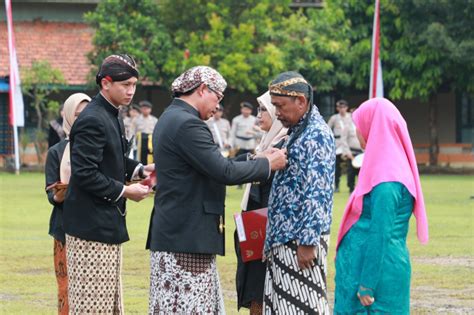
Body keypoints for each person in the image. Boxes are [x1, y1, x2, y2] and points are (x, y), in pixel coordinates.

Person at [146, 66, 287, 314]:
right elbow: (223, 171)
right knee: (188, 307)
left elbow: (212, 164)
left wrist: (256, 157)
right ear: (202, 90)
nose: (217, 107)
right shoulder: (189, 124)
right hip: (186, 237)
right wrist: (267, 164)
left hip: (178, 232)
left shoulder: (171, 117)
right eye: (217, 98)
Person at [63, 54, 153, 314]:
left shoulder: (111, 113)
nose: (131, 91)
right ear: (105, 83)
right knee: (91, 307)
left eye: (134, 85)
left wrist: (140, 169)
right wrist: (125, 190)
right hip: (90, 228)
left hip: (105, 224)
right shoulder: (93, 118)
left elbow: (112, 157)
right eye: (125, 85)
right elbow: (85, 173)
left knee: (109, 304)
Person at [334, 98, 429, 314]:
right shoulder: (384, 168)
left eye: (359, 127)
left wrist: (367, 283)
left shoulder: (387, 180)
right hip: (367, 266)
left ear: (372, 127)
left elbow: (380, 233)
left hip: (377, 276)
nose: (358, 133)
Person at [263, 71, 335, 314]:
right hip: (285, 237)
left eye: (280, 106)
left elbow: (317, 192)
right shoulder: (298, 131)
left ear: (301, 102)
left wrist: (307, 242)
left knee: (304, 307)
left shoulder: (315, 135)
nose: (277, 113)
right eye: (274, 106)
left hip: (300, 241)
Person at [235, 91, 287, 314]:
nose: (259, 115)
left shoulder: (282, 144)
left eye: (264, 109)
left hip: (266, 229)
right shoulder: (267, 142)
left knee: (262, 287)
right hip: (255, 226)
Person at [45, 93, 91, 315]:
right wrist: (63, 192)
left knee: (95, 289)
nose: (83, 119)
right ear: (68, 116)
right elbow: (51, 196)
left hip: (96, 229)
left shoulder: (97, 147)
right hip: (65, 229)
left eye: (87, 114)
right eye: (78, 114)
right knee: (67, 288)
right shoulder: (56, 152)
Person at [327, 100, 353, 192]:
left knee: (351, 166)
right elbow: (328, 129)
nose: (342, 109)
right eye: (340, 107)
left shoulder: (351, 117)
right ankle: (336, 185)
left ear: (347, 107)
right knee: (336, 166)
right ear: (337, 108)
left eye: (344, 107)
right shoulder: (334, 118)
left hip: (348, 143)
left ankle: (351, 186)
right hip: (337, 143)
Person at [339, 106, 363, 193]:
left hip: (361, 153)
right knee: (351, 173)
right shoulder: (347, 126)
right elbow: (343, 139)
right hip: (351, 152)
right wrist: (348, 153)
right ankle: (351, 188)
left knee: (361, 173)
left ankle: (359, 190)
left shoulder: (362, 125)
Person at [135, 100, 158, 164]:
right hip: (140, 141)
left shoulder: (154, 120)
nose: (145, 110)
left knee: (150, 157)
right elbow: (133, 132)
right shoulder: (136, 119)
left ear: (150, 110)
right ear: (141, 109)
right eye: (143, 108)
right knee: (140, 158)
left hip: (150, 141)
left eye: (147, 109)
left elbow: (156, 132)